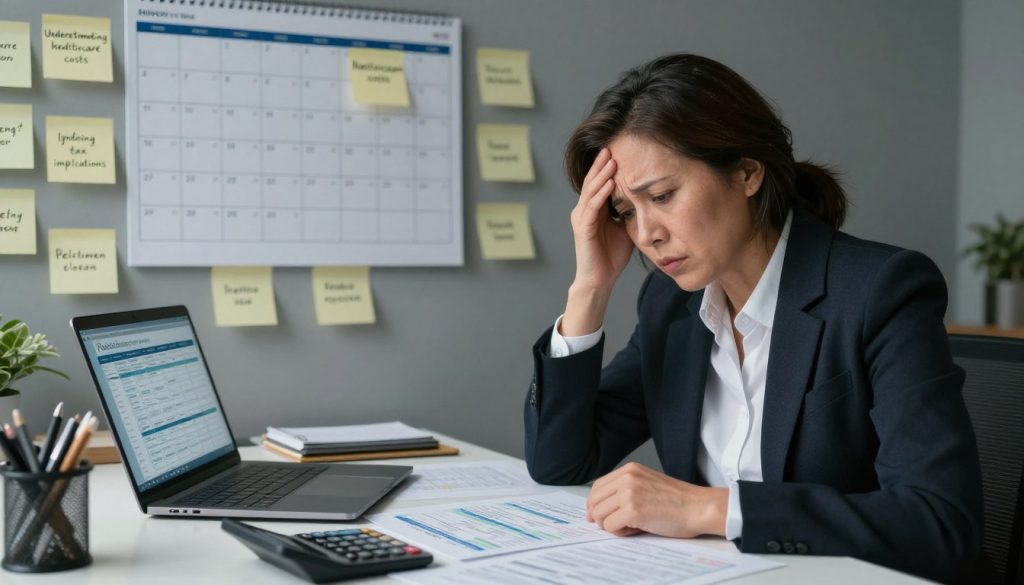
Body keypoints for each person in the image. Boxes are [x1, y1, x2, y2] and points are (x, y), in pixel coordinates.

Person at [523, 54, 982, 583]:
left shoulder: (880, 291)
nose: (646, 233)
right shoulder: (670, 305)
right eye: (626, 212)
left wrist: (708, 508)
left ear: (746, 173)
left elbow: (940, 522)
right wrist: (591, 288)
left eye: (662, 196)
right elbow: (560, 462)